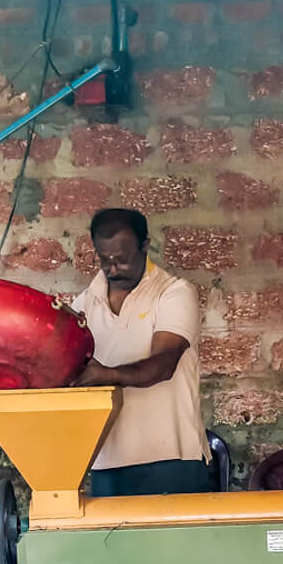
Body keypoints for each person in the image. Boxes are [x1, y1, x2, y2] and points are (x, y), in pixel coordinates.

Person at [69, 207, 212, 497]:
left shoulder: (174, 293)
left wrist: (106, 375)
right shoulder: (84, 304)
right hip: (107, 460)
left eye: (122, 260)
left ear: (145, 246)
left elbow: (164, 364)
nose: (112, 269)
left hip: (172, 458)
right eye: (104, 259)